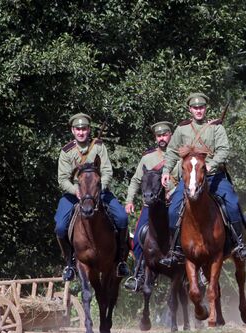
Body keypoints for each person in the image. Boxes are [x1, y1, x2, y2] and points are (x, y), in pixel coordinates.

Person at [159, 92, 246, 267]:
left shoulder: (216, 127)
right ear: (190, 110)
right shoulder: (182, 129)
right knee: (172, 210)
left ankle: (239, 245)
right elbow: (171, 151)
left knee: (232, 204)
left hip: (214, 176)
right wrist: (166, 171)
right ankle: (176, 250)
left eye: (201, 107)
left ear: (205, 108)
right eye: (195, 108)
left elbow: (224, 149)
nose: (198, 110)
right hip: (190, 179)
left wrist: (212, 164)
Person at [54, 113, 130, 281]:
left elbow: (107, 171)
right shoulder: (67, 152)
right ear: (73, 131)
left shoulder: (98, 146)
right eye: (78, 129)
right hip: (75, 194)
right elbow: (62, 179)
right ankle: (70, 263)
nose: (81, 132)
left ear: (89, 130)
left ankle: (120, 259)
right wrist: (76, 191)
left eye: (84, 129)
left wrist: (99, 188)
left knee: (122, 218)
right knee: (60, 227)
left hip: (98, 192)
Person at [123, 121, 179, 291]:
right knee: (140, 235)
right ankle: (139, 274)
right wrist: (129, 200)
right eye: (159, 136)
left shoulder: (180, 154)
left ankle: (195, 268)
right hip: (153, 205)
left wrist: (174, 191)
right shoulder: (148, 158)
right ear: (156, 138)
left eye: (165, 134)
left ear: (171, 135)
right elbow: (136, 180)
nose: (162, 138)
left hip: (174, 201)